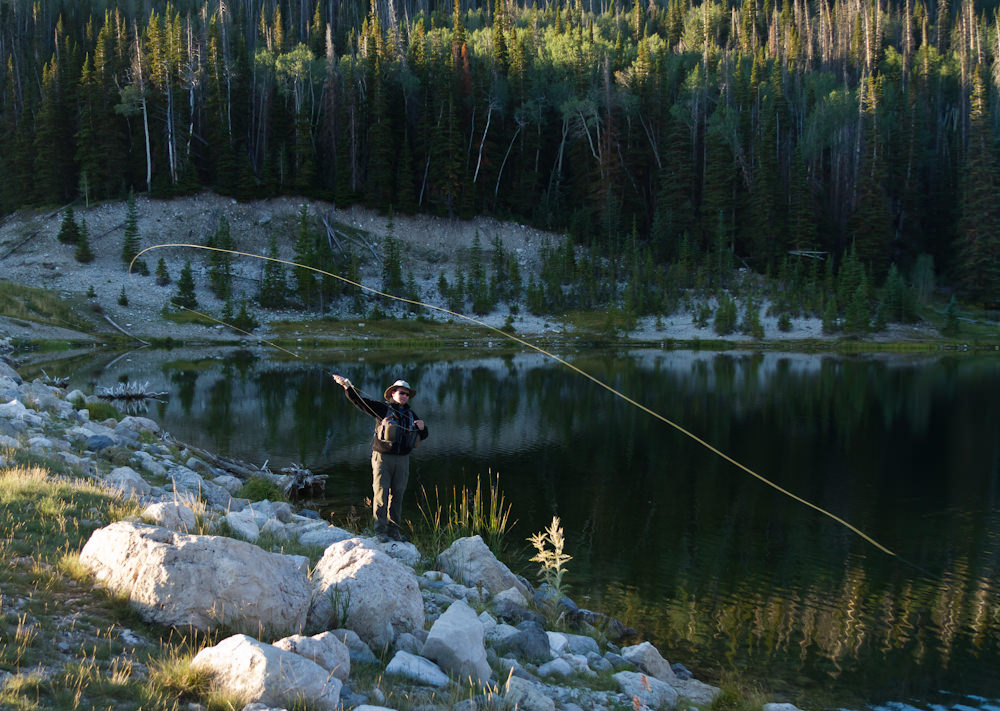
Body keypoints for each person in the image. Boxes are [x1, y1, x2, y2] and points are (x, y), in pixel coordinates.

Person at [331, 374, 428, 542]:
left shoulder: (412, 414)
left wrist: (423, 428)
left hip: (403, 460)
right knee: (381, 494)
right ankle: (380, 532)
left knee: (398, 495)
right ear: (392, 393)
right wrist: (347, 386)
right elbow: (360, 402)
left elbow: (423, 435)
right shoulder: (382, 409)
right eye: (400, 392)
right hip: (382, 458)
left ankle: (394, 532)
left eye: (406, 393)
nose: (404, 395)